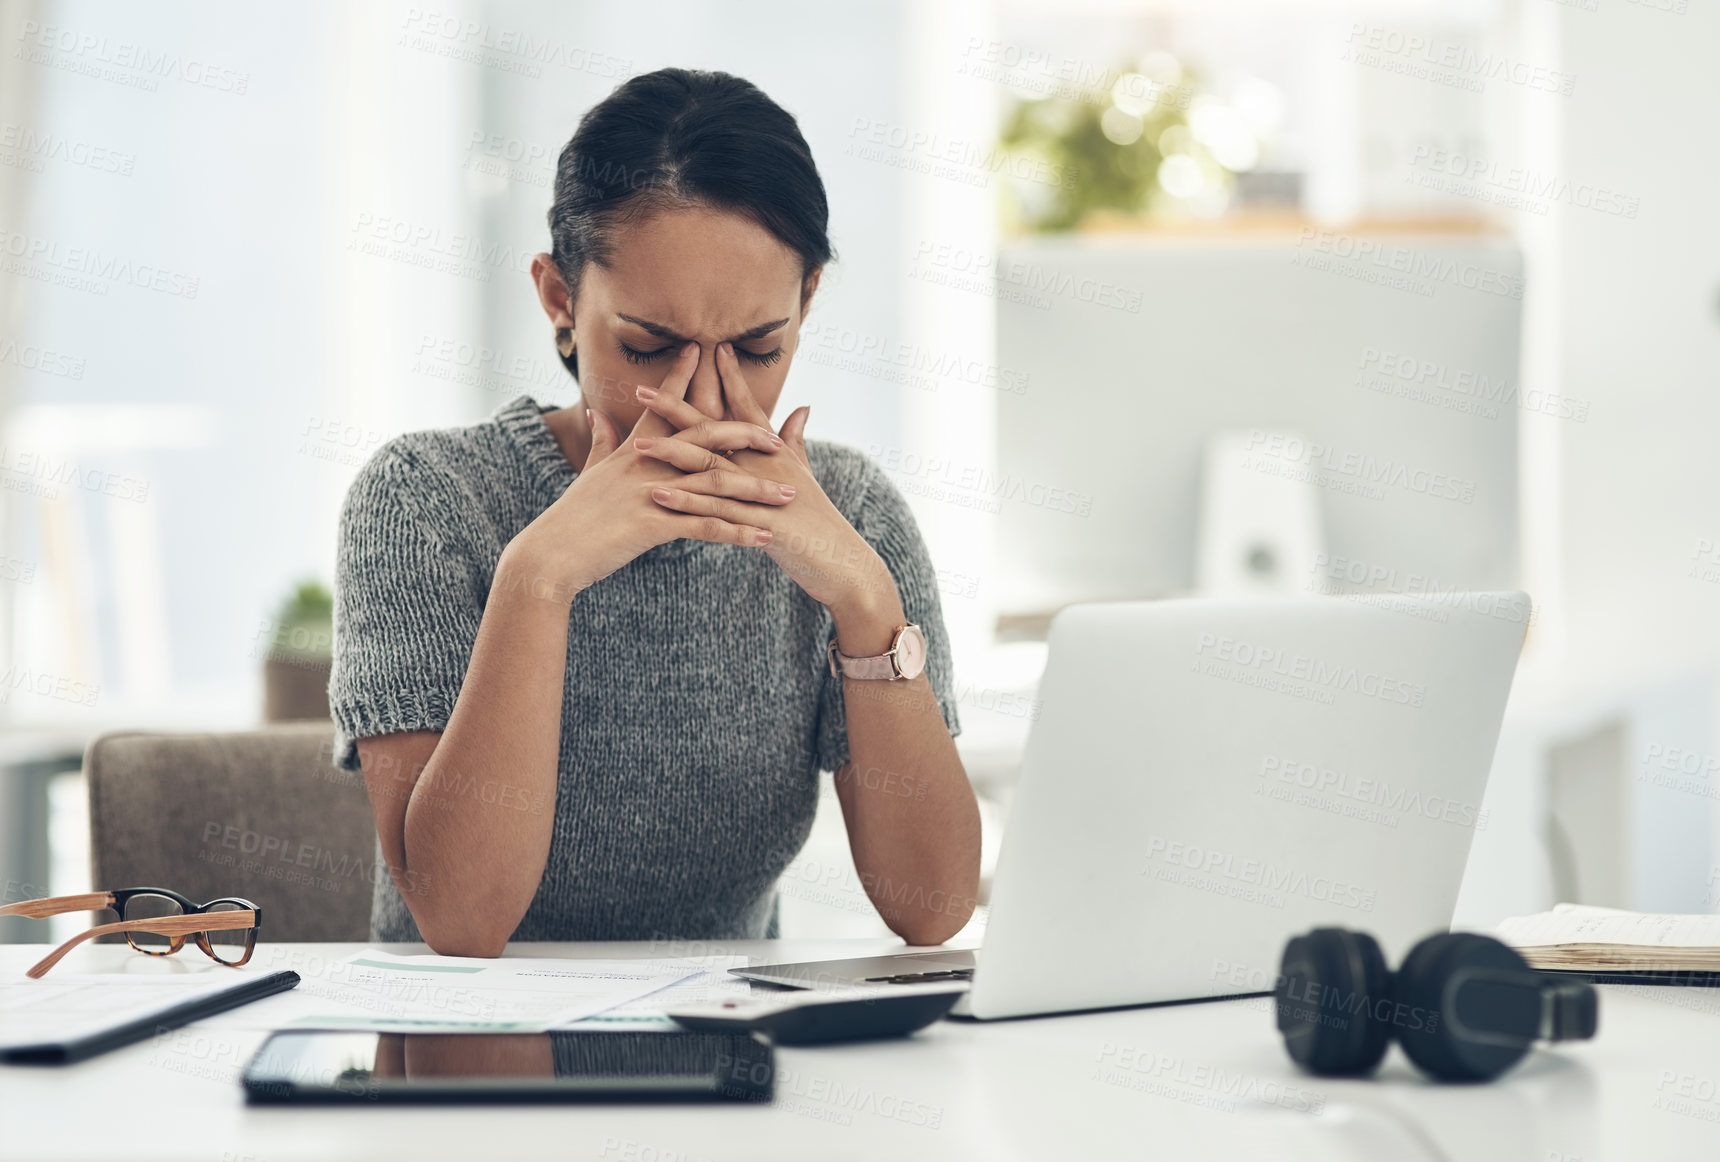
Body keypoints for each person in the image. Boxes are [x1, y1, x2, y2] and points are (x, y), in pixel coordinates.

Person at [328, 68, 980, 957]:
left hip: (725, 1057)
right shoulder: (425, 499)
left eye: (758, 348)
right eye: (649, 345)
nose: (706, 397)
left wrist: (866, 600)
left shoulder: (853, 513)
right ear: (560, 299)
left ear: (808, 301)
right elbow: (463, 920)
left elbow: (934, 907)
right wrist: (539, 575)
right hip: (468, 1062)